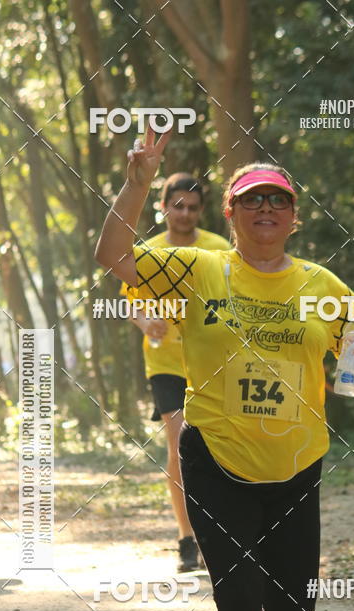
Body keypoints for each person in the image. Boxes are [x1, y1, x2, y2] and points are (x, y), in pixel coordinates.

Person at [96, 127, 354, 611]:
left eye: (276, 202)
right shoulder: (199, 268)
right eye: (251, 200)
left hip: (295, 463)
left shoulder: (323, 284)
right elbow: (112, 253)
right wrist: (139, 180)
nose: (265, 210)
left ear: (294, 218)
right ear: (228, 214)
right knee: (237, 592)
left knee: (294, 608)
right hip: (216, 458)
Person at [125, 173, 229, 572]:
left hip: (214, 363)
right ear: (163, 207)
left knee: (218, 451)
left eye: (192, 207)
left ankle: (216, 534)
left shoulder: (219, 250)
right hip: (167, 364)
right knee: (179, 449)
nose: (184, 214)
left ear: (201, 211)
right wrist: (145, 322)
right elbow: (130, 304)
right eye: (177, 206)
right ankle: (188, 538)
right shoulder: (147, 252)